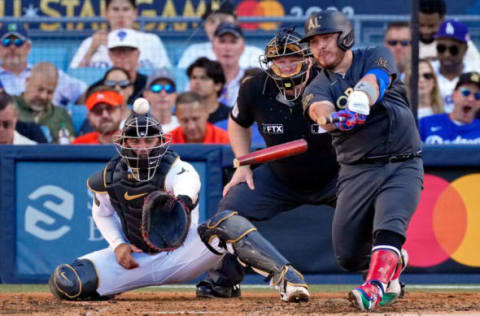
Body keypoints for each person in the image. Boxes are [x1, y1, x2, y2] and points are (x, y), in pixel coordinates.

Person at [48, 99, 310, 303]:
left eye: (149, 139)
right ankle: (111, 287)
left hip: (183, 254)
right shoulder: (108, 177)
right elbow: (102, 214)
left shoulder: (176, 168)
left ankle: (287, 279)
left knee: (226, 222)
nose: (143, 147)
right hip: (137, 259)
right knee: (67, 282)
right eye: (135, 141)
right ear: (124, 142)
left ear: (160, 141)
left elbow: (188, 185)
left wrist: (180, 201)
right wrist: (118, 245)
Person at [195, 27, 338, 299]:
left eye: (291, 58)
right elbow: (237, 123)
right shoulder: (254, 87)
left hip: (334, 175)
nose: (285, 65)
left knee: (368, 204)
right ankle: (224, 281)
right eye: (278, 60)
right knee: (230, 210)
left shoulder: (330, 83)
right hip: (279, 176)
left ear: (308, 59)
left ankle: (383, 276)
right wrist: (243, 163)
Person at [301, 10, 423, 311]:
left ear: (345, 37)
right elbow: (318, 108)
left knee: (389, 225)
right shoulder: (316, 84)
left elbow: (375, 80)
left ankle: (375, 286)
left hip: (401, 162)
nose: (321, 47)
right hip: (357, 171)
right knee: (348, 256)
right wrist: (333, 119)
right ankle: (393, 261)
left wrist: (360, 101)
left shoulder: (375, 54)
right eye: (314, 42)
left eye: (327, 38)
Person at [0, 22, 87, 107]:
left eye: (18, 42)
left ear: (27, 47)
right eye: (6, 42)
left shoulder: (49, 74)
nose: (12, 47)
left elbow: (85, 94)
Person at [69, 0, 170, 69]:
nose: (121, 15)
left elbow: (167, 73)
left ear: (135, 13)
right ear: (106, 13)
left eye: (126, 9)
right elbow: (75, 77)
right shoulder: (90, 42)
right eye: (115, 9)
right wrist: (91, 49)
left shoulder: (151, 40)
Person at [177, 0, 263, 69]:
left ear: (236, 23)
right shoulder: (193, 52)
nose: (217, 26)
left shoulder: (256, 54)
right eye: (211, 21)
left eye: (223, 20)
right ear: (204, 25)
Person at [14, 62, 75, 144]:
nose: (44, 96)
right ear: (27, 82)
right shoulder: (9, 106)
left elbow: (70, 145)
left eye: (50, 92)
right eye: (40, 89)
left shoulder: (61, 114)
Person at [419, 71, 480, 144]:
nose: (471, 99)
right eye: (465, 92)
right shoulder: (425, 124)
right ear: (453, 95)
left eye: (477, 96)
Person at [88, 29, 147, 104]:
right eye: (117, 51)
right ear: (109, 55)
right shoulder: (96, 89)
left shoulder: (149, 85)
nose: (122, 56)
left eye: (127, 51)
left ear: (138, 54)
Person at [431, 19, 477, 113]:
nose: (446, 54)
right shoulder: (425, 73)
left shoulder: (476, 74)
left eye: (453, 49)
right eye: (441, 48)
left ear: (465, 49)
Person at [419, 0, 480, 69]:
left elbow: (476, 69)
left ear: (442, 20)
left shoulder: (460, 42)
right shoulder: (406, 40)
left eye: (431, 26)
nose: (425, 31)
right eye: (421, 25)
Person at [212, 22, 246, 107]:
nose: (227, 48)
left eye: (233, 42)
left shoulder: (252, 81)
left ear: (243, 47)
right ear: (213, 46)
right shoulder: (201, 79)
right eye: (222, 41)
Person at [187, 57, 230, 124]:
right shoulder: (182, 114)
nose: (197, 82)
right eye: (194, 77)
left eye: (203, 78)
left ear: (218, 85)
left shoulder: (230, 116)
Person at [142, 68, 179, 133]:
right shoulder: (132, 126)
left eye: (169, 89)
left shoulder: (184, 126)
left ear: (176, 95)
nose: (163, 94)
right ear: (146, 94)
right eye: (156, 88)